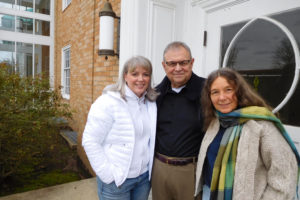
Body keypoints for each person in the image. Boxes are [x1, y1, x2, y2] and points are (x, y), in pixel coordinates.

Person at [194, 67, 300, 200]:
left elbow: (285, 176)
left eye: (228, 90)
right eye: (215, 92)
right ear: (209, 97)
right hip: (210, 194)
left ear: (239, 92)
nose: (222, 97)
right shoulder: (215, 121)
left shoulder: (261, 125)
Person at [82, 56, 159, 200]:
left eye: (145, 74)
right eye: (134, 74)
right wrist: (108, 175)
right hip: (117, 182)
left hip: (142, 179)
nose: (140, 79)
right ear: (125, 76)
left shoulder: (150, 103)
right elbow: (90, 141)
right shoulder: (108, 102)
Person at [151, 41, 206, 200]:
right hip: (159, 169)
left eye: (183, 62)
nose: (178, 68)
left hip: (190, 171)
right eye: (172, 63)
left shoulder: (207, 89)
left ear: (192, 62)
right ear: (164, 65)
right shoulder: (155, 94)